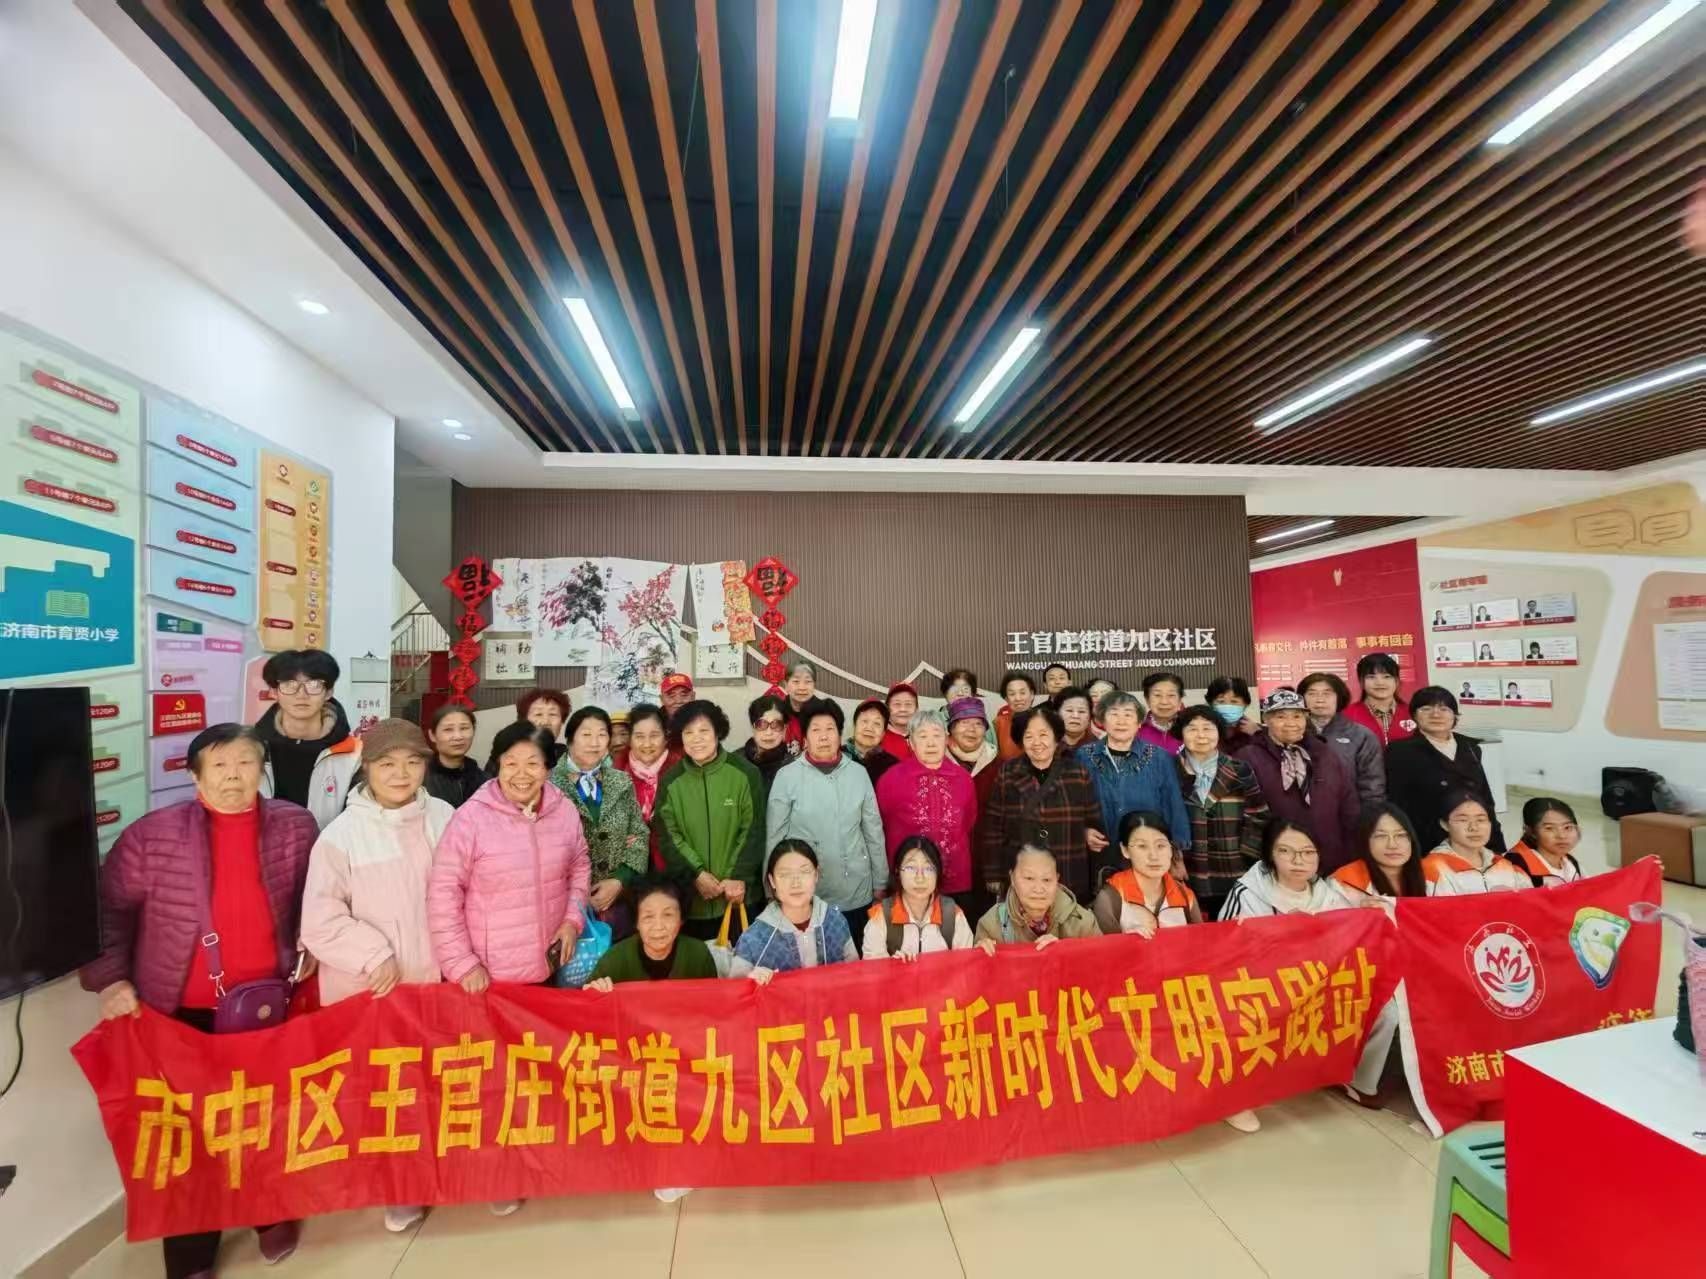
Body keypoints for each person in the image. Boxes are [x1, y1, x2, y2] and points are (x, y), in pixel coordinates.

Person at [83, 723, 318, 1273]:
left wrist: (311, 946)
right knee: (184, 1137)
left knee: (265, 1119)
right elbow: (108, 912)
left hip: (268, 1008)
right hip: (179, 1016)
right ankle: (191, 1251)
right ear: (195, 776)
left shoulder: (295, 826)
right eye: (219, 765)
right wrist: (111, 979)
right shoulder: (152, 836)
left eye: (245, 763)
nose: (234, 776)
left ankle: (268, 1214)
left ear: (262, 770)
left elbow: (318, 896)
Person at [300, 719, 452, 1235]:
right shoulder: (341, 836)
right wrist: (372, 953)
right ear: (366, 768)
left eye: (412, 762)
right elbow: (319, 921)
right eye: (387, 763)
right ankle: (399, 1188)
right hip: (374, 992)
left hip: (436, 982)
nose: (401, 773)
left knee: (438, 1082)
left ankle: (445, 1171)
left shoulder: (446, 817)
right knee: (387, 1093)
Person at [584, 874, 714, 1205]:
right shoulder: (616, 959)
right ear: (636, 922)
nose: (658, 926)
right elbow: (584, 1015)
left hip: (684, 1062)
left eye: (668, 915)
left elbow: (714, 1015)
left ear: (681, 919)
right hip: (633, 1066)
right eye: (648, 917)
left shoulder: (697, 954)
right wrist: (595, 993)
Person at [766, 698, 887, 939]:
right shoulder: (787, 776)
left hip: (855, 888)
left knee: (857, 955)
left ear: (840, 735)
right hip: (805, 891)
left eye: (830, 729)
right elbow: (775, 836)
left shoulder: (858, 773)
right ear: (805, 738)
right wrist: (771, 890)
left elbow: (873, 831)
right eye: (816, 730)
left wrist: (881, 882)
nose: (823, 737)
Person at [656, 700, 765, 940]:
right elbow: (668, 836)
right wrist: (696, 875)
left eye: (704, 731)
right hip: (692, 901)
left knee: (742, 961)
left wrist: (737, 876)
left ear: (717, 732)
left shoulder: (746, 773)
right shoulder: (671, 781)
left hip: (738, 897)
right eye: (688, 732)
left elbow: (754, 830)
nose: (697, 739)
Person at [978, 704, 1104, 907]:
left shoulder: (1077, 772)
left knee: (1067, 921)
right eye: (1028, 736)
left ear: (1056, 737)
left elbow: (1093, 819)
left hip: (1068, 866)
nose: (1037, 743)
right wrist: (993, 873)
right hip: (1023, 870)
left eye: (1043, 735)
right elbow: (993, 826)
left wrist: (1088, 831)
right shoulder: (1008, 772)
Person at [550, 706, 649, 939]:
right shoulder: (549, 784)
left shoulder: (621, 781)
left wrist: (619, 880)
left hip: (617, 903)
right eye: (586, 734)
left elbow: (639, 834)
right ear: (570, 739)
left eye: (602, 734)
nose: (594, 743)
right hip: (563, 903)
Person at [1237, 688, 1359, 873]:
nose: (1291, 723)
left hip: (1330, 858)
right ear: (1266, 720)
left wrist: (1352, 853)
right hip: (1277, 861)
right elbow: (1242, 814)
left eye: (1297, 716)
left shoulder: (1324, 753)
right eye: (1281, 717)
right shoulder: (1248, 757)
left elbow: (1348, 804)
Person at [1171, 705, 1268, 919]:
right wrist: (1173, 860)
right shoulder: (1170, 769)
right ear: (1181, 733)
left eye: (1208, 728)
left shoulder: (1239, 769)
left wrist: (1246, 856)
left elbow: (1259, 814)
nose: (1201, 735)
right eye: (1192, 729)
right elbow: (1161, 817)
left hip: (1232, 865)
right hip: (1186, 868)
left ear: (1219, 732)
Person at [1386, 686, 1507, 854]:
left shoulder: (1470, 747)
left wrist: (1496, 844)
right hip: (1429, 840)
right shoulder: (1400, 751)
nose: (1436, 714)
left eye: (1444, 709)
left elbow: (1485, 797)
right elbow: (1398, 804)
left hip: (1473, 835)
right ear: (1414, 715)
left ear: (1454, 715)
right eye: (1426, 709)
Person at [875, 710, 979, 897]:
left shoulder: (963, 779)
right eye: (922, 736)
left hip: (955, 879)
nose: (931, 743)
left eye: (937, 735)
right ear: (911, 743)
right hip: (909, 880)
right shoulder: (891, 779)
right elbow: (880, 825)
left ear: (947, 739)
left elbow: (969, 822)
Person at [1077, 690, 1191, 860]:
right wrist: (1083, 831)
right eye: (1114, 714)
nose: (1121, 721)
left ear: (1139, 723)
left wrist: (1177, 850)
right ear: (1102, 721)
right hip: (1100, 849)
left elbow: (1172, 802)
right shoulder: (1085, 755)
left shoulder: (1159, 756)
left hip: (1148, 852)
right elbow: (1074, 802)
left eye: (1128, 714)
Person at [255, 647, 358, 828]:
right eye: (289, 684)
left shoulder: (354, 755)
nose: (301, 695)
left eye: (314, 684)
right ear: (274, 692)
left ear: (328, 692)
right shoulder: (251, 749)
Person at [730, 840, 860, 980]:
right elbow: (735, 988)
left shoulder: (836, 922)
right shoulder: (754, 939)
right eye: (785, 874)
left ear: (816, 875)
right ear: (772, 881)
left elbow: (855, 976)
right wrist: (749, 980)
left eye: (804, 872)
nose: (796, 883)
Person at [862, 834, 975, 959]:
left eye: (928, 868)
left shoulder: (953, 915)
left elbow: (967, 964)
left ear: (938, 873)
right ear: (897, 871)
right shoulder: (881, 916)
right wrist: (892, 965)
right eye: (911, 868)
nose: (920, 878)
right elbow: (871, 968)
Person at [1093, 810, 1203, 935]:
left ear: (1171, 849)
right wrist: (1126, 940)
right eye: (1142, 846)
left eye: (1160, 846)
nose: (1153, 856)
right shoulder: (1110, 897)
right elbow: (1103, 946)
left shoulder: (1185, 896)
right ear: (1125, 850)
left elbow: (1200, 941)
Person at [974, 844, 1099, 950]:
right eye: (1029, 878)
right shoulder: (992, 925)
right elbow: (980, 970)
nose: (1038, 889)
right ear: (1012, 878)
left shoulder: (1082, 923)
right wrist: (981, 955)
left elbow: (1101, 964)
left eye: (1047, 879)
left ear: (1057, 879)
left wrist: (1064, 952)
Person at [1297, 671, 1386, 803]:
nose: (1320, 699)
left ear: (1339, 698)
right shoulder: (1291, 733)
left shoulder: (1361, 735)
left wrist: (1371, 813)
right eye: (1312, 694)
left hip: (1348, 810)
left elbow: (1372, 785)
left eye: (1327, 693)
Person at [1422, 791, 1530, 895]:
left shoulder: (1508, 868)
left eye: (1481, 820)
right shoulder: (1431, 869)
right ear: (1444, 824)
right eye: (1463, 820)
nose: (1473, 827)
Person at [615, 703, 678, 871]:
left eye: (654, 735)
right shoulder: (616, 774)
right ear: (630, 739)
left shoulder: (680, 773)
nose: (647, 744)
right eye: (639, 736)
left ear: (666, 737)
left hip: (672, 867)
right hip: (627, 868)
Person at [1329, 803, 1432, 904]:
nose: (1392, 845)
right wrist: (1362, 912)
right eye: (1381, 836)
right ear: (1364, 840)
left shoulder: (1434, 874)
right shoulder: (1344, 882)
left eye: (1400, 835)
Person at [1505, 797, 1584, 885]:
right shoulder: (1515, 866)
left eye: (1567, 827)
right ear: (1532, 831)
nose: (1562, 836)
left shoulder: (1571, 862)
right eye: (1549, 828)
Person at [945, 695, 1001, 816]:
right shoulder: (936, 761)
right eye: (964, 722)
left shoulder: (998, 764)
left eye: (978, 724)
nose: (971, 729)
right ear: (952, 729)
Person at [1343, 652, 1414, 746]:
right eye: (1371, 677)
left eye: (1387, 677)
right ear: (1361, 682)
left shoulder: (1413, 713)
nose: (1380, 682)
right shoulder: (1346, 716)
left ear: (1397, 681)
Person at [423, 702, 484, 808]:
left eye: (464, 728)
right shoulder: (420, 779)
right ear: (432, 735)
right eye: (448, 729)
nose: (458, 736)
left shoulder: (485, 781)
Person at [741, 692, 797, 802]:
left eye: (776, 725)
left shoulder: (793, 768)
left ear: (785, 729)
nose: (769, 732)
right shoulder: (736, 762)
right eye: (761, 724)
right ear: (753, 727)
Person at [846, 697, 900, 788]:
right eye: (865, 721)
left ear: (883, 733)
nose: (869, 728)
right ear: (854, 726)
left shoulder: (894, 766)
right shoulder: (835, 756)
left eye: (877, 724)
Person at [1138, 671, 1186, 754]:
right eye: (1157, 695)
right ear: (1147, 700)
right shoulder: (1136, 729)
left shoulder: (1191, 726)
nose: (1164, 702)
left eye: (1171, 695)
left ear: (1180, 700)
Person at [1205, 674, 1258, 748]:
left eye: (1234, 701)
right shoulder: (1204, 731)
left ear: (1245, 704)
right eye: (1221, 701)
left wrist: (1257, 734)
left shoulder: (1257, 731)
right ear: (1211, 704)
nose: (1227, 706)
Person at [994, 670, 1036, 759]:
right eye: (1012, 694)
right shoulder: (998, 723)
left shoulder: (1045, 721)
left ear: (1032, 694)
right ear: (1006, 698)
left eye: (1022, 693)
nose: (1018, 698)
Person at [883, 680, 920, 760]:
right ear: (887, 709)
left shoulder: (926, 736)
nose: (903, 709)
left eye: (908, 704)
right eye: (897, 704)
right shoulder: (879, 738)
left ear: (916, 710)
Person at [783, 661, 818, 741]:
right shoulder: (778, 711)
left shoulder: (824, 711)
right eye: (796, 681)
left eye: (808, 681)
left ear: (814, 686)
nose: (802, 687)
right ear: (786, 685)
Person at [1052, 685, 1096, 751]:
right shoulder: (1045, 744)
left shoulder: (1099, 747)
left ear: (1090, 716)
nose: (1075, 716)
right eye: (1069, 710)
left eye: (1081, 711)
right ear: (1056, 713)